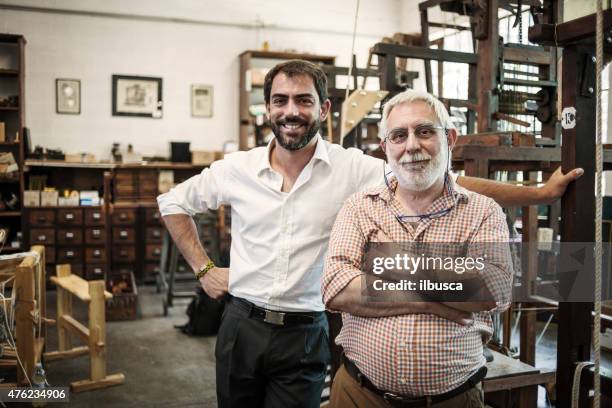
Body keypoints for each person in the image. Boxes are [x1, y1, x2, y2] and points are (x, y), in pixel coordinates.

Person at [156, 60, 581, 408]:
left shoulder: (352, 169)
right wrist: (204, 268)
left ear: (323, 110)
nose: (291, 111)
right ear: (267, 109)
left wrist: (538, 194)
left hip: (306, 330)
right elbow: (172, 203)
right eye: (280, 101)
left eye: (304, 100)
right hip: (241, 323)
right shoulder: (237, 168)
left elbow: (443, 179)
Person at [322, 89, 514, 408]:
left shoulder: (483, 211)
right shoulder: (358, 208)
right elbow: (335, 288)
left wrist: (385, 269)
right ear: (385, 147)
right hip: (359, 395)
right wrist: (434, 301)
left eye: (424, 131)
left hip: (453, 399)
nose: (411, 145)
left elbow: (493, 289)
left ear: (450, 138)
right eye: (399, 136)